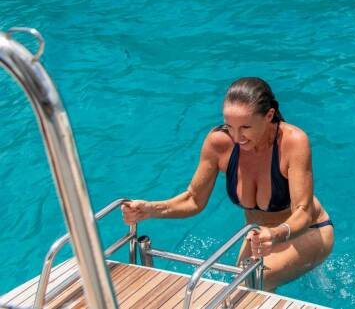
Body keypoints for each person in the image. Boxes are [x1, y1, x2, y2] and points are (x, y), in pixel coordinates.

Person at [121, 77, 334, 291]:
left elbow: (303, 211)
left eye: (245, 127)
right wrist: (150, 209)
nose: (237, 136)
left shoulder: (293, 142)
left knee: (251, 283)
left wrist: (276, 234)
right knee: (239, 287)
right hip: (259, 236)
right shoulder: (219, 143)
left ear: (269, 116)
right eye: (230, 126)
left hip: (307, 231)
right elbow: (193, 199)